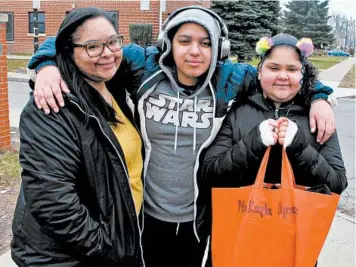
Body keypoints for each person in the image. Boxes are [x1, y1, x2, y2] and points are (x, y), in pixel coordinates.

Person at [26, 7, 336, 267]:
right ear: (168, 43)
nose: (194, 51)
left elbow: (281, 77)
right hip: (143, 216)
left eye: (205, 42)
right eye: (184, 40)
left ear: (218, 48)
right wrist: (46, 66)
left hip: (195, 220)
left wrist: (320, 96)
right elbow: (74, 41)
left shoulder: (231, 77)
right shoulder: (141, 65)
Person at [11, 7, 144, 267]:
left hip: (113, 241)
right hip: (68, 257)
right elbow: (53, 201)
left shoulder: (113, 87)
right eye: (92, 46)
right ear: (69, 52)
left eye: (113, 42)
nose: (107, 53)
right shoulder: (51, 106)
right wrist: (107, 248)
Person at [200, 33, 347, 202]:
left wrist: (299, 148)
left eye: (292, 69)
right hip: (242, 220)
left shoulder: (318, 116)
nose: (283, 76)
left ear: (302, 75)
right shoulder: (237, 110)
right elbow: (209, 174)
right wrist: (252, 143)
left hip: (298, 223)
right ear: (260, 72)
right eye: (274, 68)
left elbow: (337, 184)